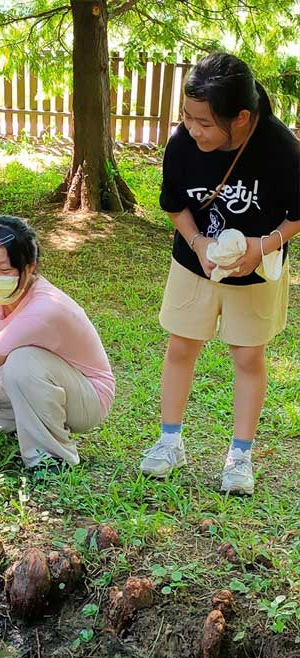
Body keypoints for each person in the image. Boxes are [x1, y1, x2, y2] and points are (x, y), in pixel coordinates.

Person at [140, 52, 300, 495]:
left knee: (248, 357)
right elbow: (175, 207)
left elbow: (296, 214)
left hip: (257, 269)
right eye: (187, 118)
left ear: (242, 117)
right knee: (180, 346)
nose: (192, 130)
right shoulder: (182, 143)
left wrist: (261, 246)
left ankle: (240, 455)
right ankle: (169, 442)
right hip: (195, 263)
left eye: (204, 123)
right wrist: (199, 245)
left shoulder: (281, 148)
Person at [0, 215, 115, 470]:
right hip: (33, 383)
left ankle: (50, 458)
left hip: (84, 398)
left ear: (30, 267)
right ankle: (5, 422)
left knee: (23, 362)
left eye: (4, 270)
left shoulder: (44, 308)